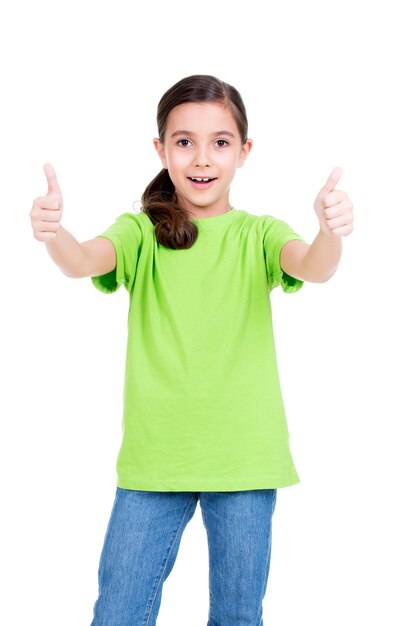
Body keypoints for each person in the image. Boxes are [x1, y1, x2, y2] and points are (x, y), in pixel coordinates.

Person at [30, 74, 354, 626]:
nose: (202, 159)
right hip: (156, 460)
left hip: (245, 459)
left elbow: (314, 268)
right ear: (161, 149)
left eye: (220, 142)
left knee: (236, 614)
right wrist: (54, 233)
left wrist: (331, 232)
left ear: (244, 152)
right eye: (184, 142)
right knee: (119, 609)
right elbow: (84, 260)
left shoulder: (259, 234)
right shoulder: (141, 231)